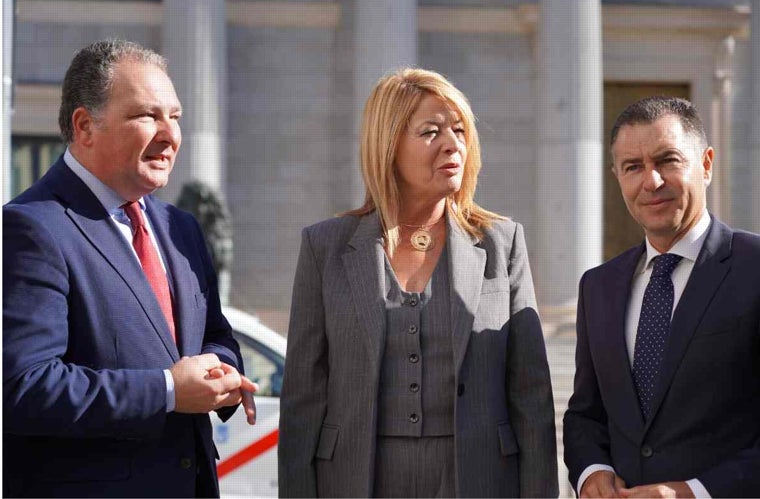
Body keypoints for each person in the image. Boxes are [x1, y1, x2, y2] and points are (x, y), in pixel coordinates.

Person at [279, 68, 558, 498]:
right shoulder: (324, 247)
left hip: (479, 478)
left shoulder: (503, 244)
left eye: (460, 130)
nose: (453, 144)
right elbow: (303, 398)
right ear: (388, 144)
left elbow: (531, 394)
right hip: (356, 479)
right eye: (431, 131)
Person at [3, 40, 256, 497]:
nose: (169, 134)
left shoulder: (180, 228)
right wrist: (167, 390)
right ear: (85, 127)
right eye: (147, 116)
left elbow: (216, 336)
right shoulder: (31, 228)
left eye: (175, 117)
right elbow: (25, 387)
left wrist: (221, 371)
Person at [563, 96, 760, 498]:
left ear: (706, 164)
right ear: (616, 176)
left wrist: (693, 492)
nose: (650, 182)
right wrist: (592, 471)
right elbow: (586, 414)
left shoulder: (754, 267)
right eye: (633, 167)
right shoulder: (597, 286)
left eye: (667, 160)